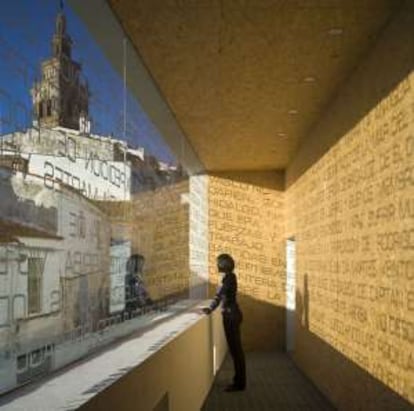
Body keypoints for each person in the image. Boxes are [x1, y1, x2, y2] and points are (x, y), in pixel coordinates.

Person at [202, 253, 246, 392]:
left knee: (236, 351)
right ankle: (239, 381)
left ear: (224, 265)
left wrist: (210, 308)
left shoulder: (228, 278)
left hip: (231, 316)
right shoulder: (230, 277)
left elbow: (219, 295)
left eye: (219, 263)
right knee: (236, 351)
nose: (217, 265)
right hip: (233, 314)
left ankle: (239, 384)